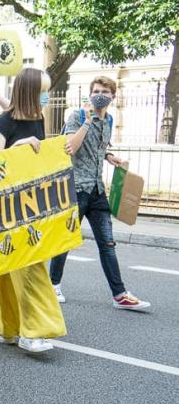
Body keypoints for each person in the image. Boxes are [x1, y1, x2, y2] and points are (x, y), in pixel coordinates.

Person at [49, 76, 150, 311]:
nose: (99, 94)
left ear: (113, 97)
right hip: (75, 189)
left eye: (104, 91)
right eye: (95, 91)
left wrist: (108, 156)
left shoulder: (110, 120)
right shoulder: (77, 116)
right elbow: (70, 147)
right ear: (89, 94)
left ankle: (119, 294)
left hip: (97, 190)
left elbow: (98, 147)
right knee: (66, 240)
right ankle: (53, 285)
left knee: (107, 244)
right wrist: (88, 121)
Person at [0, 67, 66, 353]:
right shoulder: (4, 121)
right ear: (30, 92)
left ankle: (0, 324)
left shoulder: (39, 118)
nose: (46, 96)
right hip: (7, 206)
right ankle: (31, 331)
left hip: (31, 203)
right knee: (25, 268)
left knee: (11, 268)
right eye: (42, 91)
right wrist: (18, 145)